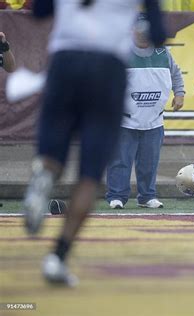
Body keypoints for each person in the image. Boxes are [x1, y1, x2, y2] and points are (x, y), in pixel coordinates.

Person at [23, 0, 166, 287]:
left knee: (53, 155)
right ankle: (58, 257)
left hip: (65, 59)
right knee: (89, 175)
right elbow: (159, 33)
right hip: (107, 67)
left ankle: (44, 177)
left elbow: (38, 11)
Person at [106, 15, 185, 210]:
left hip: (154, 121)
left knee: (149, 163)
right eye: (139, 32)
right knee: (119, 161)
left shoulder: (163, 52)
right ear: (132, 30)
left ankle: (147, 196)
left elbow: (175, 73)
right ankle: (116, 196)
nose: (143, 36)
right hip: (124, 120)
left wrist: (180, 93)